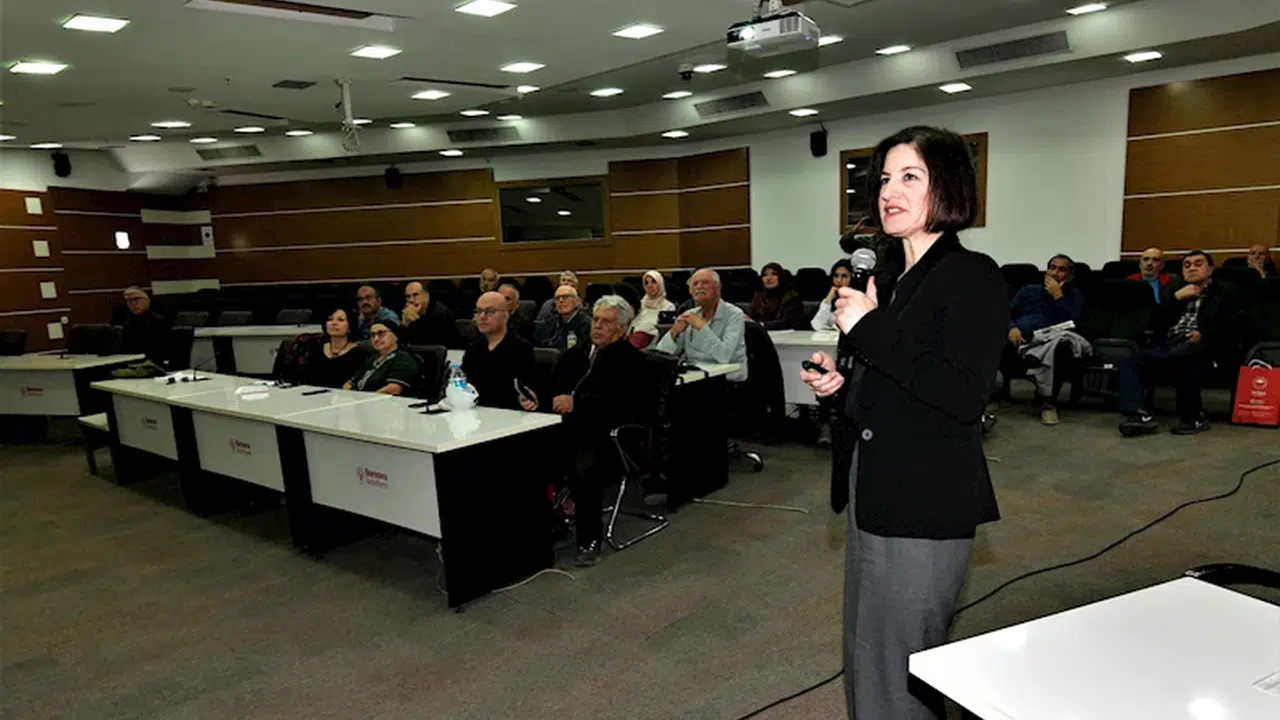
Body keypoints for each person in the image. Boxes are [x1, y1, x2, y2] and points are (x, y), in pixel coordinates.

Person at [801, 126, 1006, 720]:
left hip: (925, 498)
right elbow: (893, 386)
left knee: (900, 671)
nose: (889, 191)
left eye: (910, 177)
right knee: (867, 655)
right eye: (885, 179)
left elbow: (962, 395)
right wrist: (840, 388)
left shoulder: (972, 275)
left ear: (949, 188)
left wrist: (868, 330)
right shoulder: (889, 281)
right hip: (873, 487)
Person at [547, 295, 649, 567]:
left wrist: (577, 403)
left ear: (621, 328)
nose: (598, 326)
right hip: (568, 430)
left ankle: (589, 540)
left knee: (584, 467)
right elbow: (553, 385)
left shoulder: (631, 361)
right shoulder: (577, 354)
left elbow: (623, 405)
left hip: (611, 437)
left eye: (606, 322)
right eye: (595, 320)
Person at [1118, 250, 1244, 437]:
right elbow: (1154, 322)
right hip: (1171, 342)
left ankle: (1194, 416)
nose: (1192, 268)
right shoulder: (1174, 289)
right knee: (1130, 361)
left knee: (1185, 354)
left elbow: (1234, 324)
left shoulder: (1226, 291)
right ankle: (1138, 414)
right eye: (1187, 265)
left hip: (1209, 345)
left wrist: (1204, 334)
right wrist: (1176, 298)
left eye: (1198, 264)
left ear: (1210, 269)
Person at [1006, 254, 1088, 425]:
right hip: (1022, 336)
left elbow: (1072, 323)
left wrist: (1058, 296)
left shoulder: (1074, 295)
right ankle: (997, 396)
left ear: (1070, 276)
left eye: (1061, 269)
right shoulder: (1029, 291)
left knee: (1060, 348)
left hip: (1053, 338)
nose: (1055, 273)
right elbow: (1006, 313)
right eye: (1052, 268)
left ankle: (1048, 404)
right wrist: (1011, 327)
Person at [655, 268, 748, 382]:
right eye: (695, 284)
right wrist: (673, 333)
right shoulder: (689, 315)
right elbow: (662, 356)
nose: (699, 287)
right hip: (695, 378)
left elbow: (724, 356)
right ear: (690, 291)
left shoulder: (734, 315)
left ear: (718, 288)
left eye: (705, 282)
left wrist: (702, 327)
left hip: (727, 380)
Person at [461, 291, 538, 411]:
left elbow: (525, 391)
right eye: (478, 311)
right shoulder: (473, 349)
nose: (482, 317)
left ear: (506, 315)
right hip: (474, 413)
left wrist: (528, 399)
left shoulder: (521, 349)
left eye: (490, 311)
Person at [343, 321, 417, 395]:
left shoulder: (404, 359)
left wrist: (365, 399)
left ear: (395, 336)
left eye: (381, 334)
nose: (376, 339)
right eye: (373, 335)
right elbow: (350, 383)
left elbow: (393, 389)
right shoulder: (372, 358)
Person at [305, 308, 370, 388]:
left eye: (340, 320)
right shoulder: (315, 349)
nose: (334, 323)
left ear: (350, 326)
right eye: (330, 319)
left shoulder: (360, 355)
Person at [399, 280, 459, 348]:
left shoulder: (440, 313)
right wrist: (405, 323)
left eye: (415, 295)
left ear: (426, 296)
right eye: (408, 296)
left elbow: (427, 342)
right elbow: (401, 343)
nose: (411, 300)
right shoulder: (408, 313)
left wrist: (415, 321)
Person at [747, 262, 805, 330]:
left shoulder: (791, 297)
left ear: (780, 277)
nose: (768, 278)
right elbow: (751, 318)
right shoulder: (758, 296)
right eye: (765, 275)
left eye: (774, 274)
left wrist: (762, 325)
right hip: (760, 332)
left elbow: (788, 322)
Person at [120, 286, 171, 363]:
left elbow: (161, 351)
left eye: (136, 299)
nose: (133, 303)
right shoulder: (128, 324)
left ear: (146, 300)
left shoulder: (159, 322)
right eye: (129, 301)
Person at [534, 284, 591, 352]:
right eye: (557, 298)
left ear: (576, 301)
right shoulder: (549, 322)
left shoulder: (586, 323)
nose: (560, 300)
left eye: (565, 297)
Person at [629, 270, 677, 348]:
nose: (650, 285)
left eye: (654, 282)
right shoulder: (640, 304)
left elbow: (665, 331)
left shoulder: (669, 306)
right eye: (646, 283)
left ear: (660, 284)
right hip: (634, 336)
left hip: (654, 341)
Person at [811, 260, 854, 332]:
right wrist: (829, 299)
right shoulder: (830, 300)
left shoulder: (858, 300)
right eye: (836, 276)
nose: (839, 280)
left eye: (844, 276)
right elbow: (817, 325)